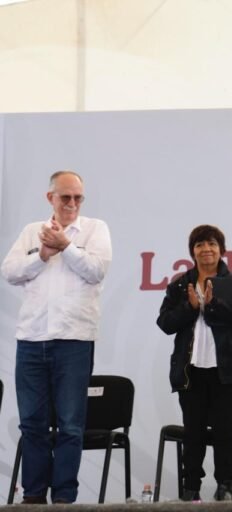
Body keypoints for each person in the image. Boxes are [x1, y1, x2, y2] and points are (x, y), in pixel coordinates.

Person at [1, 170, 112, 504]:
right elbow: (9, 272)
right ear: (50, 198)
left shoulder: (95, 229)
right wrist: (42, 255)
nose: (72, 203)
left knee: (70, 425)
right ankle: (33, 496)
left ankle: (64, 499)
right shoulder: (31, 232)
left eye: (78, 197)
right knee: (32, 423)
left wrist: (66, 247)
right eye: (66, 197)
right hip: (31, 339)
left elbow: (97, 270)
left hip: (74, 339)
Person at [156, 224, 232, 502]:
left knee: (225, 430)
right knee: (193, 432)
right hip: (191, 370)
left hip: (226, 370)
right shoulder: (180, 285)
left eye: (212, 244)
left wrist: (213, 304)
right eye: (200, 244)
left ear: (221, 250)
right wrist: (189, 307)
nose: (206, 249)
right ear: (192, 251)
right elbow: (165, 322)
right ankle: (191, 488)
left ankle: (225, 485)